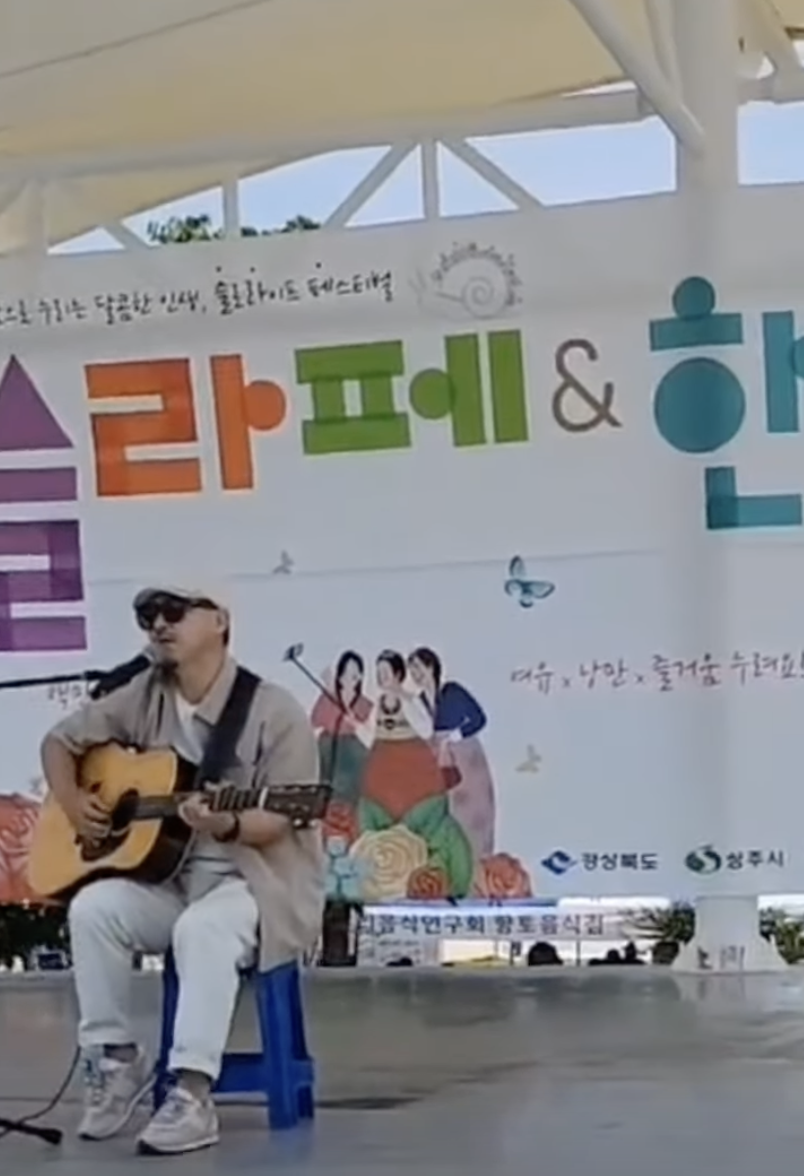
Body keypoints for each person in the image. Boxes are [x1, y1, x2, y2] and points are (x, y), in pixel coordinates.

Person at [39, 583, 324, 1157]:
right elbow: (58, 743)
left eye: (174, 611)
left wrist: (228, 823)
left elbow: (285, 815)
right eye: (148, 615)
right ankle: (117, 1059)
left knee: (203, 929)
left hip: (259, 884)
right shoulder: (144, 694)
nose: (159, 624)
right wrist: (72, 801)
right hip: (172, 879)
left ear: (219, 621)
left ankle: (192, 1092)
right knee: (94, 910)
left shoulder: (274, 710)